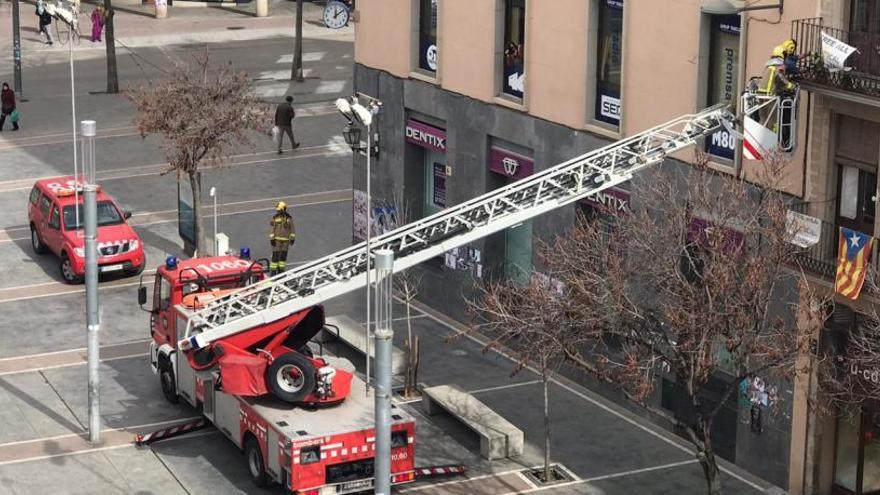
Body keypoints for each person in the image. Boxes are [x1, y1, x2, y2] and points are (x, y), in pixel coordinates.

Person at [269, 201, 296, 275]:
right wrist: (272, 239)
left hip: (286, 241)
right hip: (277, 240)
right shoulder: (275, 218)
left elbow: (292, 229)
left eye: (279, 210)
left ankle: (281, 270)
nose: (277, 211)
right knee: (275, 256)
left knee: (283, 257)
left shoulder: (289, 219)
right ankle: (273, 272)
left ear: (283, 209)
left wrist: (292, 238)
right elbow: (272, 229)